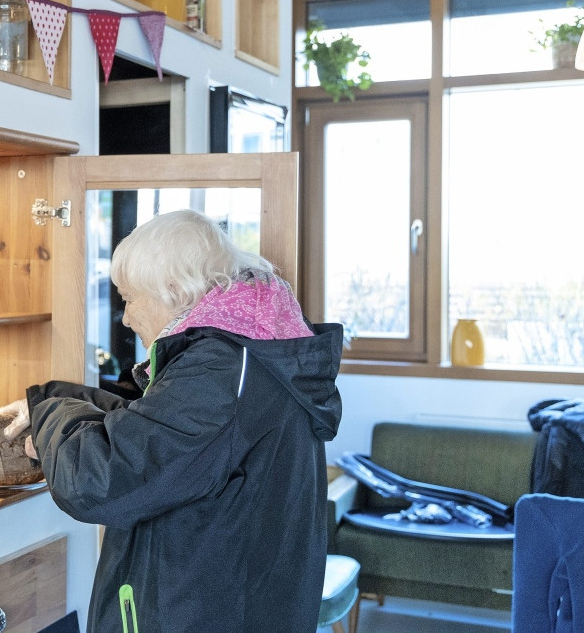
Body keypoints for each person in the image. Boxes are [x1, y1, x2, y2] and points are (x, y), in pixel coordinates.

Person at [18, 209, 343, 632]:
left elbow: (97, 481)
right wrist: (51, 399)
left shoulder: (220, 371)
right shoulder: (248, 354)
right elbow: (156, 430)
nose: (127, 317)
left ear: (171, 289)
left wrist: (50, 415)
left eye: (130, 298)